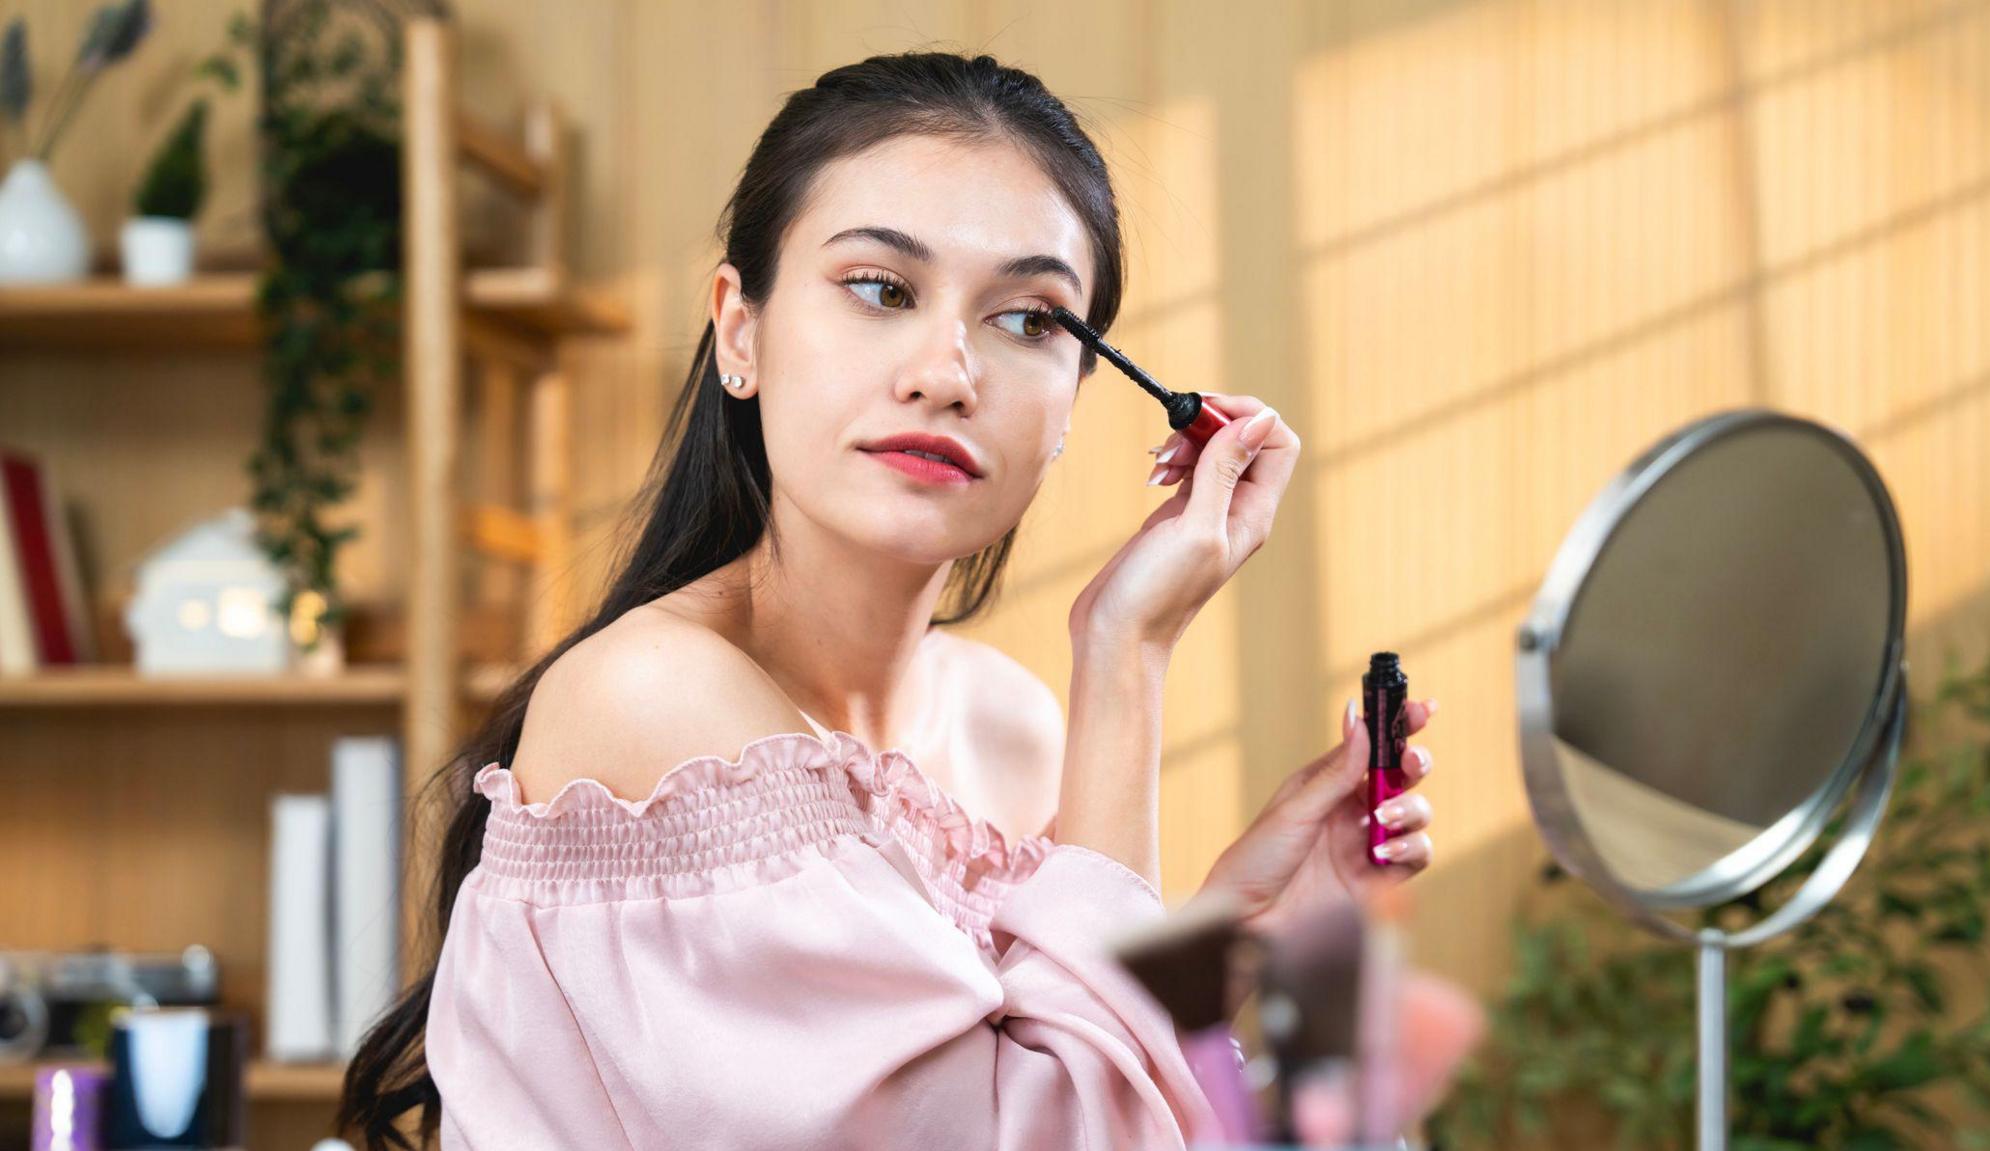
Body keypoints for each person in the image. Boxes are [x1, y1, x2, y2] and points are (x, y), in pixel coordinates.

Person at [338, 50, 1454, 1151]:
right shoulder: (653, 704)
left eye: (1029, 319)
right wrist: (1126, 652)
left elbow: (1076, 1086)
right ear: (739, 329)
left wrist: (1245, 926)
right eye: (879, 288)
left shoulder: (1008, 725)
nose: (946, 369)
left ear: (1071, 403)